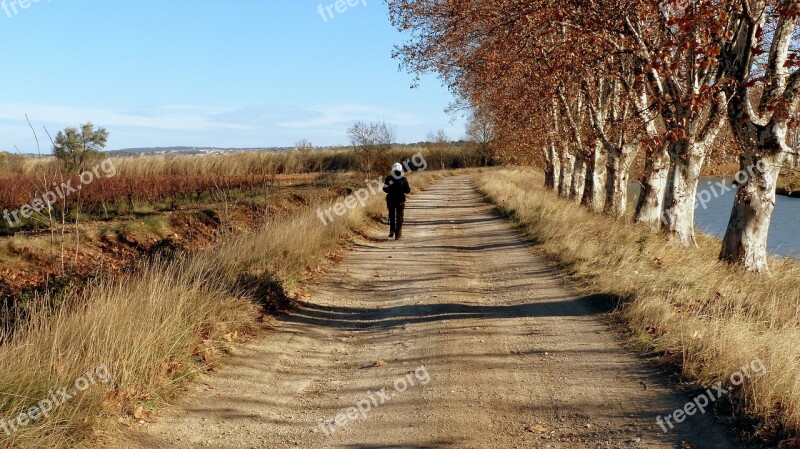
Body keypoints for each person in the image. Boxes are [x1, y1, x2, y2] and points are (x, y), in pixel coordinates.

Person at [383, 162, 411, 240]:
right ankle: (398, 234)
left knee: (391, 215)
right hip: (400, 200)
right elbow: (407, 190)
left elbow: (384, 189)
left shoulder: (388, 179)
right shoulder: (403, 179)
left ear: (393, 170)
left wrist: (390, 190)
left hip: (390, 200)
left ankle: (392, 230)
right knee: (399, 217)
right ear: (400, 169)